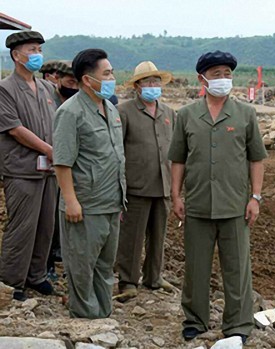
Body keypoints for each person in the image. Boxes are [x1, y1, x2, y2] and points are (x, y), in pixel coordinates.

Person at [168, 50, 267, 344]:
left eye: (227, 74)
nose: (223, 79)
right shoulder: (186, 115)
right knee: (196, 268)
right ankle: (194, 321)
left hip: (235, 206)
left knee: (237, 269)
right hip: (197, 204)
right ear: (202, 79)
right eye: (216, 74)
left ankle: (238, 324)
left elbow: (256, 159)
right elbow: (178, 159)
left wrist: (256, 197)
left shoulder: (245, 114)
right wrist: (176, 195)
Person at [53, 48, 126, 318]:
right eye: (106, 74)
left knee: (105, 266)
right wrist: (70, 201)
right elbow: (62, 162)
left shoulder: (110, 108)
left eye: (112, 73)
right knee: (82, 267)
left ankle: (103, 314)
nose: (111, 78)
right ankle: (86, 319)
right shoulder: (70, 113)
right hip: (85, 205)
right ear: (87, 79)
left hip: (110, 202)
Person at [0, 30, 57, 301]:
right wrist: (48, 149)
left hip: (49, 170)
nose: (37, 55)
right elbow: (15, 129)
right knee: (22, 227)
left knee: (45, 226)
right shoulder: (5, 89)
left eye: (39, 50)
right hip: (21, 169)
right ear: (16, 55)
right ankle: (12, 281)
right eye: (32, 50)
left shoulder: (46, 88)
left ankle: (36, 276)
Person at [115, 61, 175, 301]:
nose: (153, 86)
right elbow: (117, 149)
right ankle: (128, 280)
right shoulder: (125, 111)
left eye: (156, 82)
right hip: (136, 185)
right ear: (137, 86)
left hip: (163, 185)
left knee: (158, 236)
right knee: (132, 236)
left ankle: (154, 277)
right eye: (148, 82)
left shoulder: (168, 113)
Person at [47, 60, 79, 280]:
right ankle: (47, 262)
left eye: (77, 82)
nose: (73, 86)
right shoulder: (50, 102)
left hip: (76, 170)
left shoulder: (81, 103)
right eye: (70, 81)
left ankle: (67, 263)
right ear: (57, 79)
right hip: (50, 168)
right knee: (50, 220)